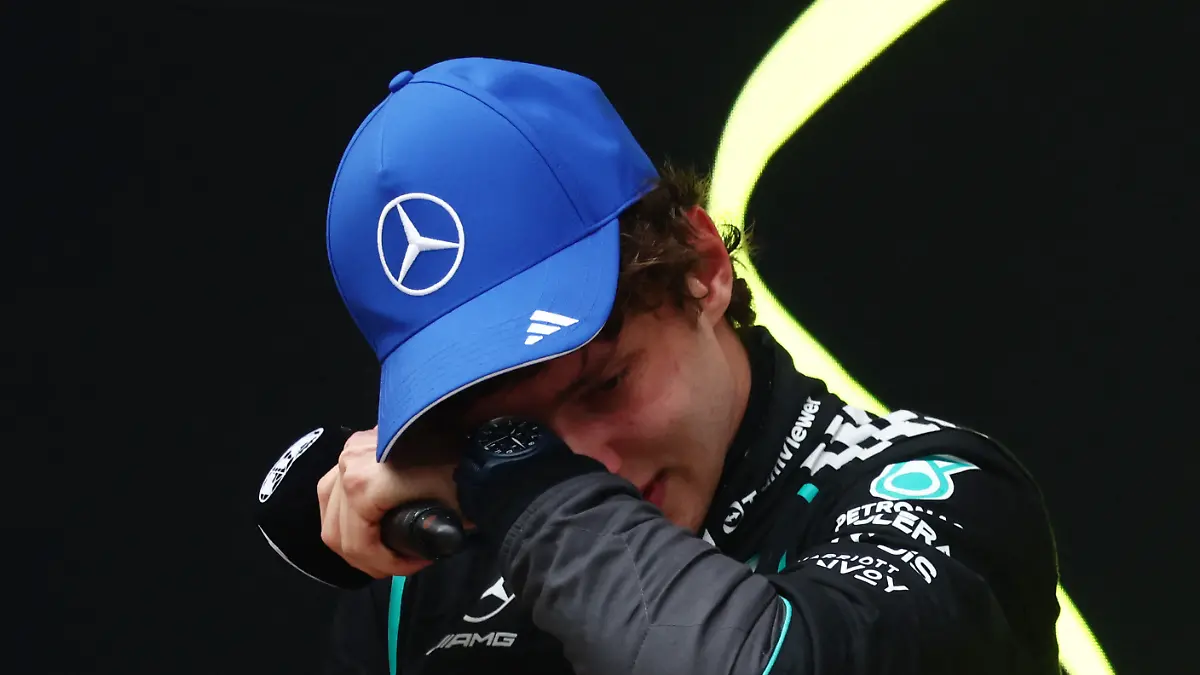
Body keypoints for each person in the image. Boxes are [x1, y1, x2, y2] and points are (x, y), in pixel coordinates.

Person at [317, 57, 1061, 675]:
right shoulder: (423, 580)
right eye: (511, 428)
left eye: (606, 385)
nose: (589, 459)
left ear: (703, 270)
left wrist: (518, 480)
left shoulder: (945, 494)